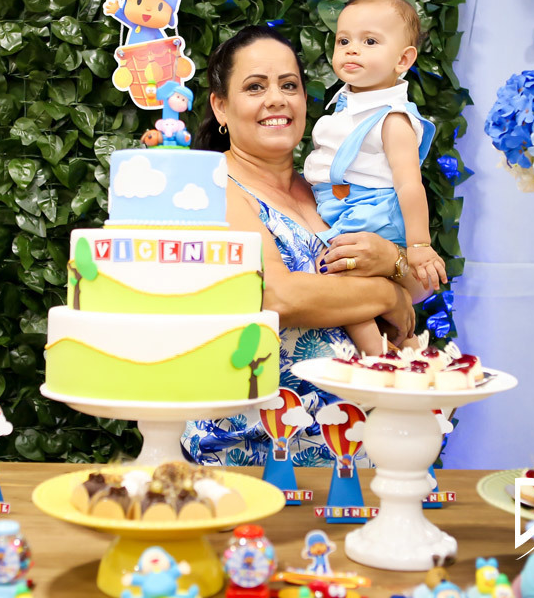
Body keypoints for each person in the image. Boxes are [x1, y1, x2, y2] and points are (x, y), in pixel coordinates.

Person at [182, 26, 429, 466]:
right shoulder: (212, 187)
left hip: (355, 448)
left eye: (289, 85)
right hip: (254, 454)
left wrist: (392, 258)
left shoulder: (328, 189)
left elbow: (421, 285)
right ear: (220, 107)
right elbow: (277, 296)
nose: (276, 99)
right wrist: (388, 293)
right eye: (255, 87)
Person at [303, 0, 448, 356]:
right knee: (362, 295)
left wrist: (418, 245)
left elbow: (410, 185)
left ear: (403, 60)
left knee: (344, 281)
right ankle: (406, 348)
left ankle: (381, 361)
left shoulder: (393, 118)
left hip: (372, 214)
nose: (352, 49)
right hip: (343, 208)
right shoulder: (346, 107)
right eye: (343, 41)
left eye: (370, 41)